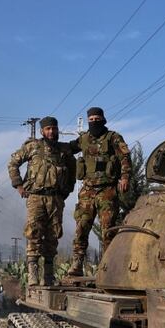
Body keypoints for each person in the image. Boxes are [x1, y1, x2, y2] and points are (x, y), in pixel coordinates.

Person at [7, 115, 76, 285]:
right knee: (34, 233)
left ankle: (49, 275)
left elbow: (73, 171)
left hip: (55, 198)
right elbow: (13, 164)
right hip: (36, 197)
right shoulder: (33, 147)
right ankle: (32, 274)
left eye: (54, 128)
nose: (51, 132)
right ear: (42, 131)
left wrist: (66, 190)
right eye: (48, 129)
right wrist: (19, 186)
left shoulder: (63, 150)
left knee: (53, 235)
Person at [66, 106, 130, 277]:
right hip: (87, 191)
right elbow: (65, 150)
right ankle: (77, 263)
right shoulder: (83, 139)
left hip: (107, 190)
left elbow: (125, 157)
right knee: (82, 226)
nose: (94, 121)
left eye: (97, 118)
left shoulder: (113, 138)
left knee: (108, 229)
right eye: (91, 119)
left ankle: (107, 266)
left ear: (103, 118)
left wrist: (125, 177)